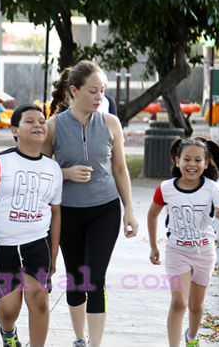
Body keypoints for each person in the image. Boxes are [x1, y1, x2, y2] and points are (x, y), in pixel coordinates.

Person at [43, 60, 138, 347]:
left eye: (103, 91)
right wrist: (65, 173)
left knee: (95, 278)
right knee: (76, 277)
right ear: (74, 91)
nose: (101, 97)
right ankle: (80, 338)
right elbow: (41, 172)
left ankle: (95, 344)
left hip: (105, 210)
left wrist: (130, 211)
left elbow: (120, 169)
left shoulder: (111, 123)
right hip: (68, 214)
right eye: (93, 91)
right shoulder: (53, 127)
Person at [0, 104, 63, 347]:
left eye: (42, 121)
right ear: (15, 130)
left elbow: (55, 213)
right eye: (30, 121)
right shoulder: (0, 163)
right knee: (9, 309)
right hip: (2, 246)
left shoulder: (53, 169)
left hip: (37, 244)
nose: (38, 125)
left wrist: (53, 254)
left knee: (40, 300)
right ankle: (8, 331)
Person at [147, 137, 219, 347]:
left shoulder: (212, 188)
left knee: (196, 306)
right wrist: (154, 246)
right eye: (187, 159)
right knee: (179, 302)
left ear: (206, 164)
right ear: (177, 161)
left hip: (204, 252)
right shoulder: (165, 188)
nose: (192, 165)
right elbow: (152, 215)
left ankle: (192, 337)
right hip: (177, 252)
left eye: (197, 160)